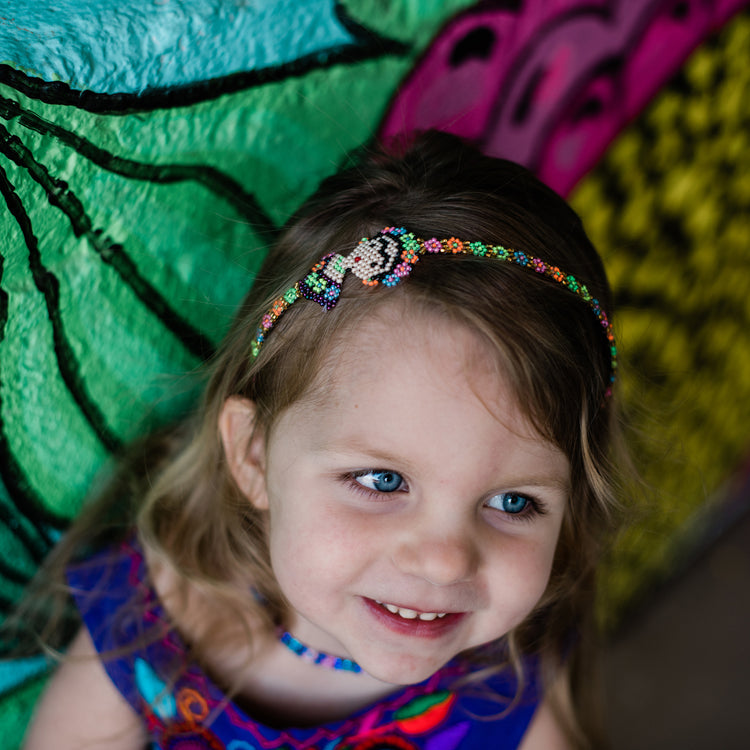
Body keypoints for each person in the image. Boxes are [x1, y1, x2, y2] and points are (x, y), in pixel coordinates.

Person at [20, 131, 624, 749]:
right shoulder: (155, 623)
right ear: (253, 455)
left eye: (514, 502)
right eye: (382, 481)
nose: (445, 561)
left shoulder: (509, 685)